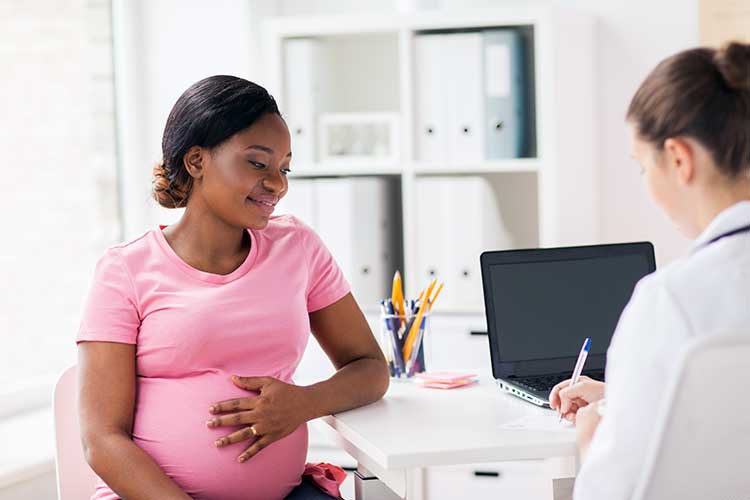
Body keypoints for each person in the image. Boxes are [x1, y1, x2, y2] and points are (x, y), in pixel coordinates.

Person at [76, 75, 390, 500]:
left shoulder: (296, 246)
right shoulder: (125, 270)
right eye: (258, 164)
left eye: (284, 168)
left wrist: (304, 403)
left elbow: (370, 368)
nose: (278, 184)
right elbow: (103, 441)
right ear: (196, 161)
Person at [549, 41, 750, 500]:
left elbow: (614, 490)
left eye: (642, 166)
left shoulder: (672, 299)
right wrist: (625, 396)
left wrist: (593, 441)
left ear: (679, 159)